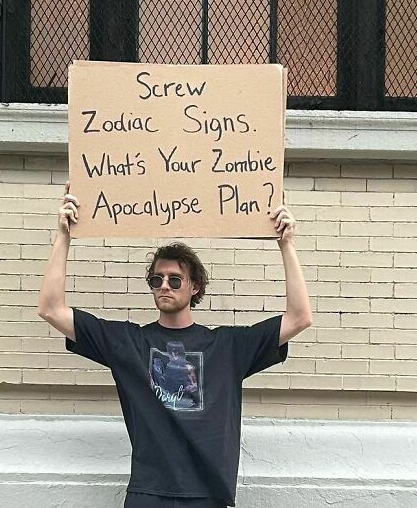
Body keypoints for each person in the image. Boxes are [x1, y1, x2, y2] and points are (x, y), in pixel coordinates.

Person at [38, 183, 312, 508]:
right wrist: (64, 235)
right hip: (148, 494)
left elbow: (299, 317)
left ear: (194, 286)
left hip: (207, 495)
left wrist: (286, 245)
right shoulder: (129, 342)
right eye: (157, 279)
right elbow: (50, 308)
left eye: (175, 279)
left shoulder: (227, 347)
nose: (164, 285)